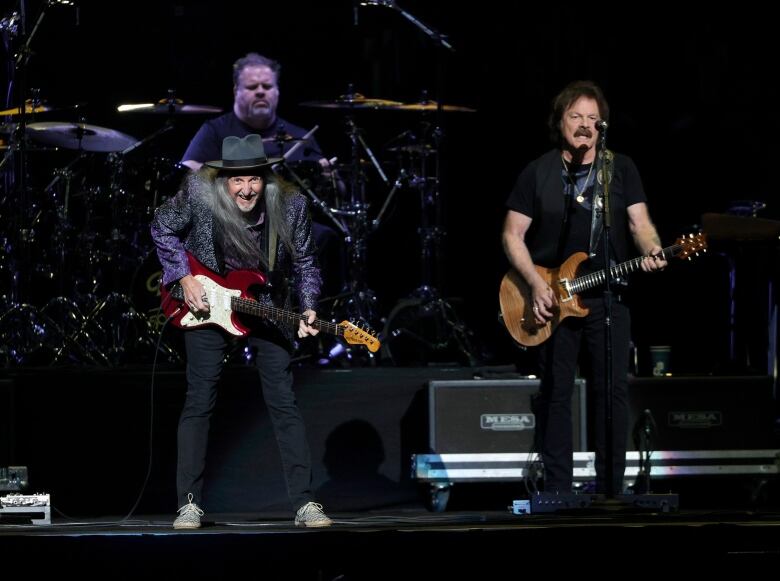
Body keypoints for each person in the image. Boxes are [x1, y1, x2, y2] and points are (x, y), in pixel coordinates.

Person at [151, 134, 333, 529]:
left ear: (266, 179)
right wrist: (184, 277)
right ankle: (189, 504)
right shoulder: (199, 193)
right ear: (223, 181)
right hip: (207, 300)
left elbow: (305, 262)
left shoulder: (292, 205)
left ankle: (305, 504)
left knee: (283, 399)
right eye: (237, 181)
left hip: (263, 301)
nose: (247, 189)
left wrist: (309, 306)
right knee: (200, 397)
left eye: (254, 180)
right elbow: (162, 226)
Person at [502, 80, 667, 496]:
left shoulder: (620, 168)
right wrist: (536, 285)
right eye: (576, 116)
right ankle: (557, 489)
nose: (585, 125)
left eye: (593, 119)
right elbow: (511, 235)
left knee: (610, 393)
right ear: (559, 121)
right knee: (556, 392)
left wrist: (651, 248)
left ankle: (611, 489)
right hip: (552, 299)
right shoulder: (537, 171)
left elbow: (640, 223)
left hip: (607, 295)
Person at [181, 52, 345, 300]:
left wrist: (330, 178)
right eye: (252, 86)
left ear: (277, 91)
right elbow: (189, 170)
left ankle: (316, 314)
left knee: (325, 237)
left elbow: (336, 191)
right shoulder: (215, 131)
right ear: (236, 90)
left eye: (267, 86)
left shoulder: (299, 137)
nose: (260, 92)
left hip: (286, 224)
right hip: (233, 224)